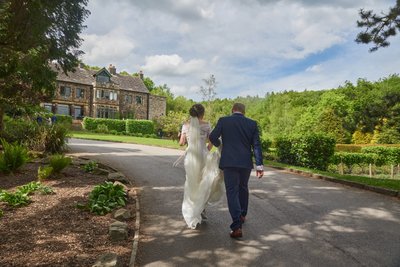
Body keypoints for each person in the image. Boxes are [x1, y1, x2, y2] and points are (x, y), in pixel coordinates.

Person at [209, 103, 264, 238]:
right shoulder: (252, 124)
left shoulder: (224, 121)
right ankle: (242, 215)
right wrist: (259, 165)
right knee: (243, 187)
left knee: (232, 191)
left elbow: (212, 137)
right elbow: (256, 145)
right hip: (245, 163)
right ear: (244, 112)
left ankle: (237, 226)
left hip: (229, 162)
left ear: (233, 110)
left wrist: (221, 145)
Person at [179, 104, 224, 229]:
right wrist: (207, 149)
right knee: (204, 183)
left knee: (191, 183)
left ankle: (192, 208)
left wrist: (183, 135)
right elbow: (211, 140)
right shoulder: (206, 124)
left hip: (190, 158)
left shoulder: (185, 125)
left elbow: (181, 143)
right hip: (203, 156)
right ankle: (201, 209)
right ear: (202, 113)